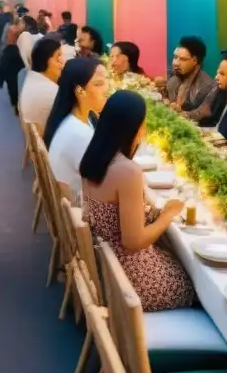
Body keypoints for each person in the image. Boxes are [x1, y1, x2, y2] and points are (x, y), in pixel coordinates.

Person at [80, 91, 195, 312]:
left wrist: (147, 213)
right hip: (131, 279)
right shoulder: (127, 171)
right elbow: (133, 243)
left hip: (108, 268)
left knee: (176, 261)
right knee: (194, 283)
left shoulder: (93, 156)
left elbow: (110, 215)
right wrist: (167, 216)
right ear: (136, 127)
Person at [43, 58, 110, 200]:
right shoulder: (78, 134)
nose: (107, 89)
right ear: (80, 91)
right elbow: (104, 182)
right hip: (85, 209)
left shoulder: (78, 120)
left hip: (81, 200)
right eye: (99, 84)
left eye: (106, 80)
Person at [19, 37, 64, 134]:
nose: (62, 62)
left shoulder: (31, 78)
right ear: (47, 60)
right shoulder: (51, 92)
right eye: (58, 56)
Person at [165, 36, 215, 113]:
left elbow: (202, 114)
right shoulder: (174, 77)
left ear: (195, 61)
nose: (176, 63)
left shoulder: (206, 86)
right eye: (175, 57)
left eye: (183, 59)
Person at [0, 23, 26, 114]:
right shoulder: (20, 48)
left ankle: (16, 104)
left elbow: (2, 65)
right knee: (18, 87)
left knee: (12, 88)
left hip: (10, 73)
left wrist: (0, 79)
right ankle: (18, 105)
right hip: (18, 70)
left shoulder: (7, 51)